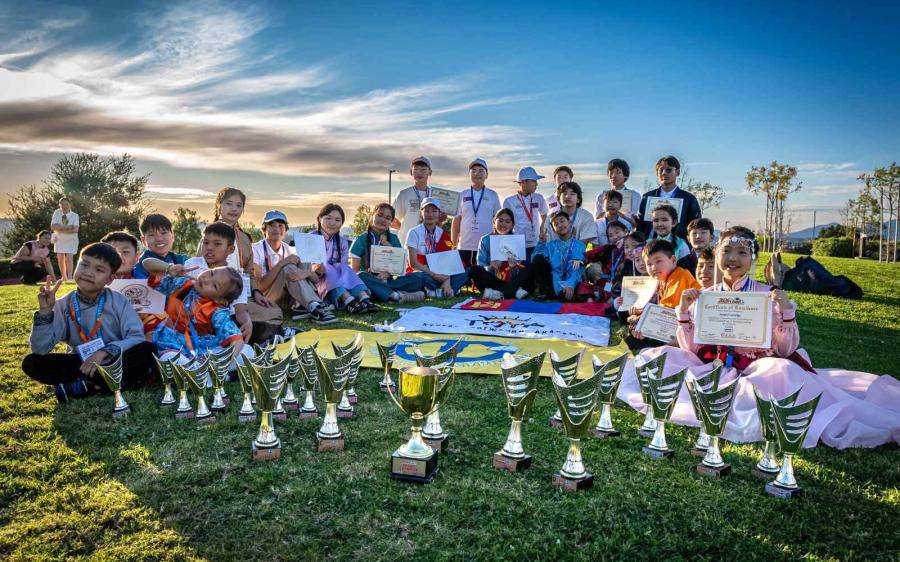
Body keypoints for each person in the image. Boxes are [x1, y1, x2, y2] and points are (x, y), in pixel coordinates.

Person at [618, 226, 900, 449]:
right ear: (717, 255)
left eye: (742, 252)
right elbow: (691, 349)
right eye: (726, 252)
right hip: (714, 364)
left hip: (759, 365)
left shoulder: (767, 295)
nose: (733, 259)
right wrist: (683, 313)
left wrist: (786, 312)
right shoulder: (706, 296)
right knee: (658, 357)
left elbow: (786, 349)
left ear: (752, 258)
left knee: (781, 369)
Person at [22, 243, 156, 403]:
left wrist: (104, 352)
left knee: (146, 350)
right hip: (82, 363)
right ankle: (107, 383)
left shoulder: (119, 301)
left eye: (99, 270)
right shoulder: (62, 305)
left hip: (113, 359)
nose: (88, 273)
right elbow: (40, 348)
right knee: (32, 362)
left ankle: (90, 386)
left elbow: (136, 337)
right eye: (84, 264)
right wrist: (45, 312)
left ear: (110, 279)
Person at [208, 187, 290, 344]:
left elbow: (249, 271)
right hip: (218, 296)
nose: (234, 209)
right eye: (229, 204)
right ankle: (262, 335)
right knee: (262, 316)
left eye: (238, 205)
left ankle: (257, 333)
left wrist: (257, 293)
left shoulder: (244, 238)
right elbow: (202, 269)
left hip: (242, 295)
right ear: (219, 206)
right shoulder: (209, 233)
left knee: (275, 312)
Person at [142, 256, 245, 359]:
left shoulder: (216, 310)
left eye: (215, 286)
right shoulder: (182, 284)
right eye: (211, 273)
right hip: (168, 340)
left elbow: (237, 339)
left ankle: (201, 365)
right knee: (169, 356)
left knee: (244, 351)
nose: (206, 279)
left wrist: (225, 362)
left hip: (198, 346)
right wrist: (169, 267)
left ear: (220, 300)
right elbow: (146, 263)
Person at [252, 210, 336, 325]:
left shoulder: (290, 249)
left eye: (280, 226)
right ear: (264, 229)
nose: (276, 229)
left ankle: (303, 306)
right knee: (288, 267)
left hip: (290, 298)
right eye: (271, 225)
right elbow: (259, 286)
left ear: (286, 230)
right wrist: (283, 263)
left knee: (304, 261)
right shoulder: (255, 249)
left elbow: (315, 280)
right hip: (267, 298)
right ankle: (315, 306)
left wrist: (308, 272)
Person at [184, 222, 253, 343]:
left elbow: (240, 310)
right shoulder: (192, 265)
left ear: (230, 249)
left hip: (221, 323)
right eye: (206, 242)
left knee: (246, 330)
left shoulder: (235, 277)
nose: (209, 247)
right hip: (191, 321)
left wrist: (248, 322)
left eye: (217, 244)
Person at [349, 203, 427, 303]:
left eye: (387, 218)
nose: (383, 220)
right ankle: (396, 295)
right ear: (372, 215)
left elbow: (400, 268)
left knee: (418, 277)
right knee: (360, 276)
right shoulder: (360, 239)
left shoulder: (394, 239)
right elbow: (354, 271)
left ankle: (382, 292)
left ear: (391, 222)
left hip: (389, 282)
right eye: (380, 215)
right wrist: (376, 278)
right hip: (369, 280)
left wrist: (389, 248)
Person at [313, 204, 377, 314]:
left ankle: (364, 297)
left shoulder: (342, 241)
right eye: (328, 218)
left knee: (342, 266)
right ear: (320, 219)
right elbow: (308, 265)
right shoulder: (311, 238)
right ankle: (348, 300)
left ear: (341, 223)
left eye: (337, 220)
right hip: (317, 280)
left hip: (337, 280)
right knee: (328, 267)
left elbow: (343, 269)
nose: (332, 223)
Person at [406, 197, 469, 298]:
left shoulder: (442, 233)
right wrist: (434, 275)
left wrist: (447, 280)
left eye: (434, 211)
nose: (430, 214)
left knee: (466, 272)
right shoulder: (414, 232)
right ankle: (448, 291)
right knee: (419, 277)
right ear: (421, 212)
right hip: (424, 272)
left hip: (442, 272)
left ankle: (438, 290)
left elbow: (450, 260)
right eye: (426, 211)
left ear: (439, 213)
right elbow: (413, 264)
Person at [469, 208, 535, 300]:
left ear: (512, 225)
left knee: (530, 268)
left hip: (513, 279)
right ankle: (512, 291)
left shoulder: (517, 240)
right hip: (493, 279)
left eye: (507, 222)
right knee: (474, 269)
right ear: (494, 222)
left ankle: (498, 293)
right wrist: (491, 267)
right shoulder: (485, 240)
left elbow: (521, 269)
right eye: (500, 221)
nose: (503, 224)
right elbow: (481, 264)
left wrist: (513, 267)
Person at [451, 158, 501, 267]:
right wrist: (453, 245)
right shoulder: (462, 194)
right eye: (473, 171)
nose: (477, 174)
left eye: (481, 171)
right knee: (464, 276)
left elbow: (499, 221)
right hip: (464, 246)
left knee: (484, 275)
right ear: (469, 175)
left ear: (487, 175)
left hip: (487, 246)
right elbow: (456, 221)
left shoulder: (493, 195)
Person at [636, 155, 701, 237]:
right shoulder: (647, 197)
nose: (664, 173)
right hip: (650, 242)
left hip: (678, 242)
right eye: (661, 170)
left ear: (677, 172)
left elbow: (695, 225)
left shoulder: (689, 199)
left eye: (669, 170)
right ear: (657, 173)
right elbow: (640, 225)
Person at [532, 211, 585, 301]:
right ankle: (544, 291)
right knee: (538, 258)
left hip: (572, 280)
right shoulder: (551, 245)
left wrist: (570, 285)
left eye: (562, 221)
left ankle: (571, 293)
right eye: (556, 224)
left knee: (566, 296)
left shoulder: (579, 245)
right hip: (555, 280)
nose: (560, 225)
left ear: (570, 222)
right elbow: (535, 258)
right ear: (553, 230)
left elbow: (576, 269)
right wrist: (541, 243)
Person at [502, 166, 549, 263]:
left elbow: (545, 215)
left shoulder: (539, 198)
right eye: (534, 181)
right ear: (523, 182)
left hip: (536, 243)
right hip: (517, 244)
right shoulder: (509, 201)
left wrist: (542, 230)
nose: (537, 184)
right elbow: (505, 224)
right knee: (521, 270)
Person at [580, 220, 629, 303]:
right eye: (611, 235)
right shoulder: (607, 249)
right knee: (582, 288)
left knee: (617, 297)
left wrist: (626, 241)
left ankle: (608, 300)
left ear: (626, 231)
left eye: (617, 232)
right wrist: (577, 260)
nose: (615, 237)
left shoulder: (631, 249)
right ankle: (594, 299)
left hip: (622, 284)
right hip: (605, 283)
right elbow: (588, 255)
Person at [392, 156, 435, 245]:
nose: (419, 173)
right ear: (411, 172)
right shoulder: (403, 194)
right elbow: (392, 219)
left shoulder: (435, 194)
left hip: (430, 243)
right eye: (416, 169)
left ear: (430, 172)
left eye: (423, 170)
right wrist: (405, 229)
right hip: (407, 243)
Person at [132, 214, 187, 279]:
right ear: (143, 240)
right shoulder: (139, 267)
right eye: (152, 235)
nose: (159, 239)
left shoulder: (183, 260)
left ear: (172, 236)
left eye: (164, 233)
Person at [50, 197, 79, 281]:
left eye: (66, 204)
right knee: (60, 258)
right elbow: (53, 226)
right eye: (62, 204)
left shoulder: (75, 215)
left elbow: (75, 230)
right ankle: (64, 277)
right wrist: (68, 227)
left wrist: (60, 228)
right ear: (59, 205)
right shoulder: (57, 212)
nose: (64, 206)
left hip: (71, 239)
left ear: (70, 205)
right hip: (59, 238)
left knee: (69, 258)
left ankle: (70, 277)